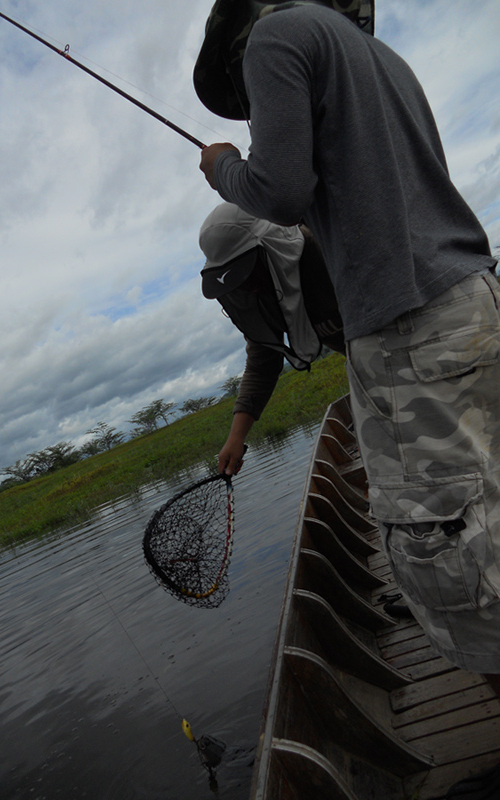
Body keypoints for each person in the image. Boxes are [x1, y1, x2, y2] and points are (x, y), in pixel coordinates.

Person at [194, 1, 500, 795]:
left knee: (447, 550)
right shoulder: (379, 58)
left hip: (410, 334)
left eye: (251, 98)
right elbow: (268, 347)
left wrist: (224, 165)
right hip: (469, 303)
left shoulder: (271, 36)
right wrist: (239, 432)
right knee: (485, 517)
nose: (258, 107)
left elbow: (279, 187)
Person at [199, 201, 344, 475]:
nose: (247, 285)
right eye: (236, 279)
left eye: (248, 269)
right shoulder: (262, 293)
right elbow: (263, 362)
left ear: (273, 247)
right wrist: (236, 438)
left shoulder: (330, 251)